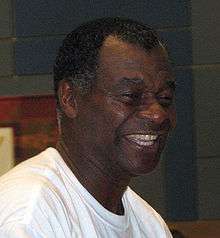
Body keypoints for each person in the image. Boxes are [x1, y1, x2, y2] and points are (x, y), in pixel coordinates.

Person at [0, 17, 176, 237]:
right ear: (70, 99)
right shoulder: (29, 215)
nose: (158, 114)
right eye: (130, 96)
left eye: (165, 98)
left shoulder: (151, 226)